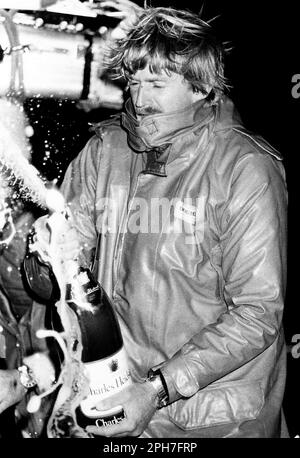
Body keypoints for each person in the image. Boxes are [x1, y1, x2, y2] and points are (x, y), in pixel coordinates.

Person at [26, 6, 288, 438]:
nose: (139, 99)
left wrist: (158, 388)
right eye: (133, 82)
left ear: (201, 88)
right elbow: (54, 285)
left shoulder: (246, 169)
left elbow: (258, 313)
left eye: (156, 84)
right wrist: (46, 258)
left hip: (210, 419)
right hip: (112, 395)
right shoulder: (105, 151)